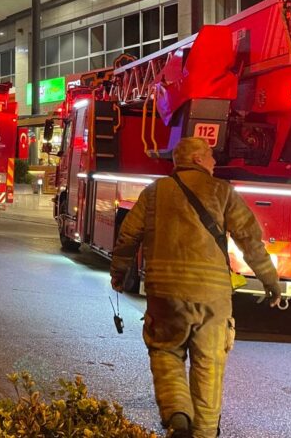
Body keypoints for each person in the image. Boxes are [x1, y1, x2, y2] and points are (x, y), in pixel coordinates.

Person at [110, 137, 281, 438]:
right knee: (209, 364)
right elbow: (249, 239)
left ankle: (177, 412)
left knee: (166, 351)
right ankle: (204, 432)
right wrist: (270, 280)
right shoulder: (222, 192)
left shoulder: (155, 192)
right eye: (210, 155)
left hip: (165, 292)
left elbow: (128, 235)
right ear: (198, 159)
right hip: (212, 296)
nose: (214, 161)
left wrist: (119, 272)